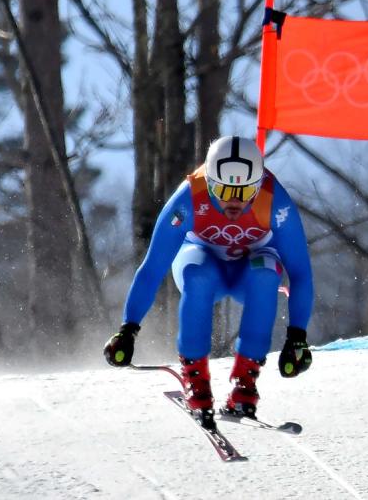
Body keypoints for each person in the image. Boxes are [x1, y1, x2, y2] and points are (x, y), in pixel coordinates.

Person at [103, 135, 314, 427]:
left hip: (248, 273)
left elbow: (301, 272)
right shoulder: (189, 198)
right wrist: (128, 329)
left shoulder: (275, 201)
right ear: (210, 181)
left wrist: (297, 337)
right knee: (199, 275)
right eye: (224, 190)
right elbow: (153, 268)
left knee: (265, 275)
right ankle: (196, 380)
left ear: (258, 184)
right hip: (202, 260)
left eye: (245, 191)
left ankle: (245, 383)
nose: (234, 201)